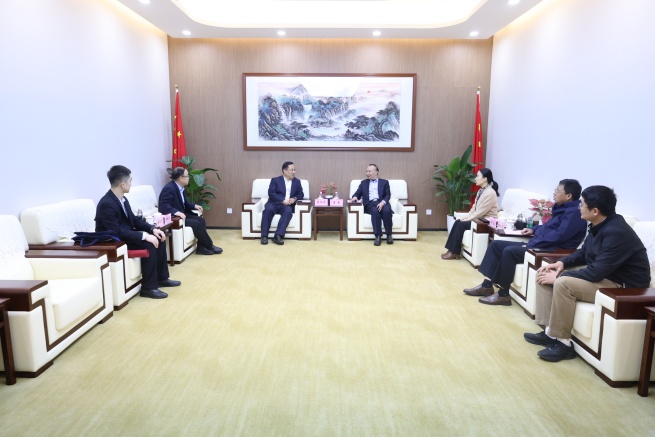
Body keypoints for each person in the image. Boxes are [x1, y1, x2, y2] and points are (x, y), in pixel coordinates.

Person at [525, 186, 650, 362]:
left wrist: (559, 277)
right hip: (606, 276)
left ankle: (563, 344)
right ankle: (550, 333)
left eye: (581, 204)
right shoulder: (599, 225)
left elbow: (596, 272)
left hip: (624, 286)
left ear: (595, 211)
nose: (579, 207)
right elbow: (584, 253)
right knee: (546, 273)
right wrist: (561, 263)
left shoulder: (617, 232)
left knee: (562, 283)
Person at [465, 179, 587, 306]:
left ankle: (503, 295)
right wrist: (533, 229)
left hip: (550, 250)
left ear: (568, 195)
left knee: (509, 251)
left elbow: (559, 236)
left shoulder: (575, 214)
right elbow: (548, 227)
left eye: (557, 190)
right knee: (496, 245)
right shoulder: (562, 208)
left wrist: (533, 243)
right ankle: (486, 286)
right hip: (539, 244)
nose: (554, 193)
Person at [95, 165, 181, 299]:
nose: (131, 183)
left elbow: (134, 220)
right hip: (114, 242)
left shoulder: (122, 199)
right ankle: (148, 288)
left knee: (159, 237)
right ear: (123, 184)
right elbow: (116, 231)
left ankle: (161, 278)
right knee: (150, 244)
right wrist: (144, 236)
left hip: (124, 236)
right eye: (130, 180)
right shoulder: (107, 204)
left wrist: (152, 229)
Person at [159, 167, 223, 256]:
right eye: (187, 176)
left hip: (183, 215)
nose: (189, 178)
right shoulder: (169, 188)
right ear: (181, 178)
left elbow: (185, 202)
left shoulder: (181, 187)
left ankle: (201, 248)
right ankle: (209, 245)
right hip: (175, 218)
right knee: (196, 224)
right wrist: (177, 213)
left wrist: (194, 206)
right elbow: (163, 206)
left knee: (201, 220)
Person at [441, 168, 499, 260]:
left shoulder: (490, 193)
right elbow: (474, 208)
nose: (475, 178)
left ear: (485, 179)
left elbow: (481, 211)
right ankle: (452, 250)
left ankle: (454, 252)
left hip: (486, 222)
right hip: (479, 219)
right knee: (458, 222)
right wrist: (467, 216)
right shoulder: (481, 191)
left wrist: (469, 219)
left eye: (478, 176)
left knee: (461, 225)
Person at [260, 161, 304, 245]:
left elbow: (301, 194)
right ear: (284, 171)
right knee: (268, 210)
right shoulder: (275, 180)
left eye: (294, 170)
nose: (294, 172)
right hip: (274, 203)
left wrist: (294, 199)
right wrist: (282, 200)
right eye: (292, 170)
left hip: (287, 205)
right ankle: (264, 236)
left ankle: (278, 236)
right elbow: (271, 193)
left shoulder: (297, 182)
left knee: (288, 211)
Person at [350, 164, 393, 246]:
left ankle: (389, 235)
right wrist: (355, 197)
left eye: (369, 171)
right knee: (375, 211)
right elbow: (357, 193)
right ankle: (378, 236)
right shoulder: (363, 183)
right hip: (370, 204)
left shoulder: (385, 182)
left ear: (376, 172)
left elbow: (388, 195)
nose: (367, 173)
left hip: (382, 202)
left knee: (386, 211)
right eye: (366, 171)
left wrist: (382, 203)